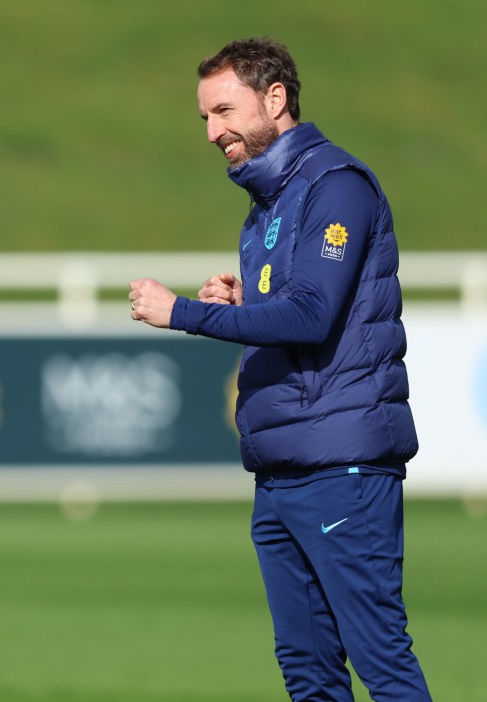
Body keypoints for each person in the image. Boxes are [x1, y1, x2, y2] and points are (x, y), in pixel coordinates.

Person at [129, 38, 431, 701]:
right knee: (308, 675)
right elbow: (299, 312)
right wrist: (246, 302)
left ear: (275, 99)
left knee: (381, 664)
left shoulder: (335, 185)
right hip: (280, 471)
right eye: (204, 117)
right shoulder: (268, 200)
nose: (212, 132)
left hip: (340, 470)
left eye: (223, 111)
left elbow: (311, 316)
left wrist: (182, 312)